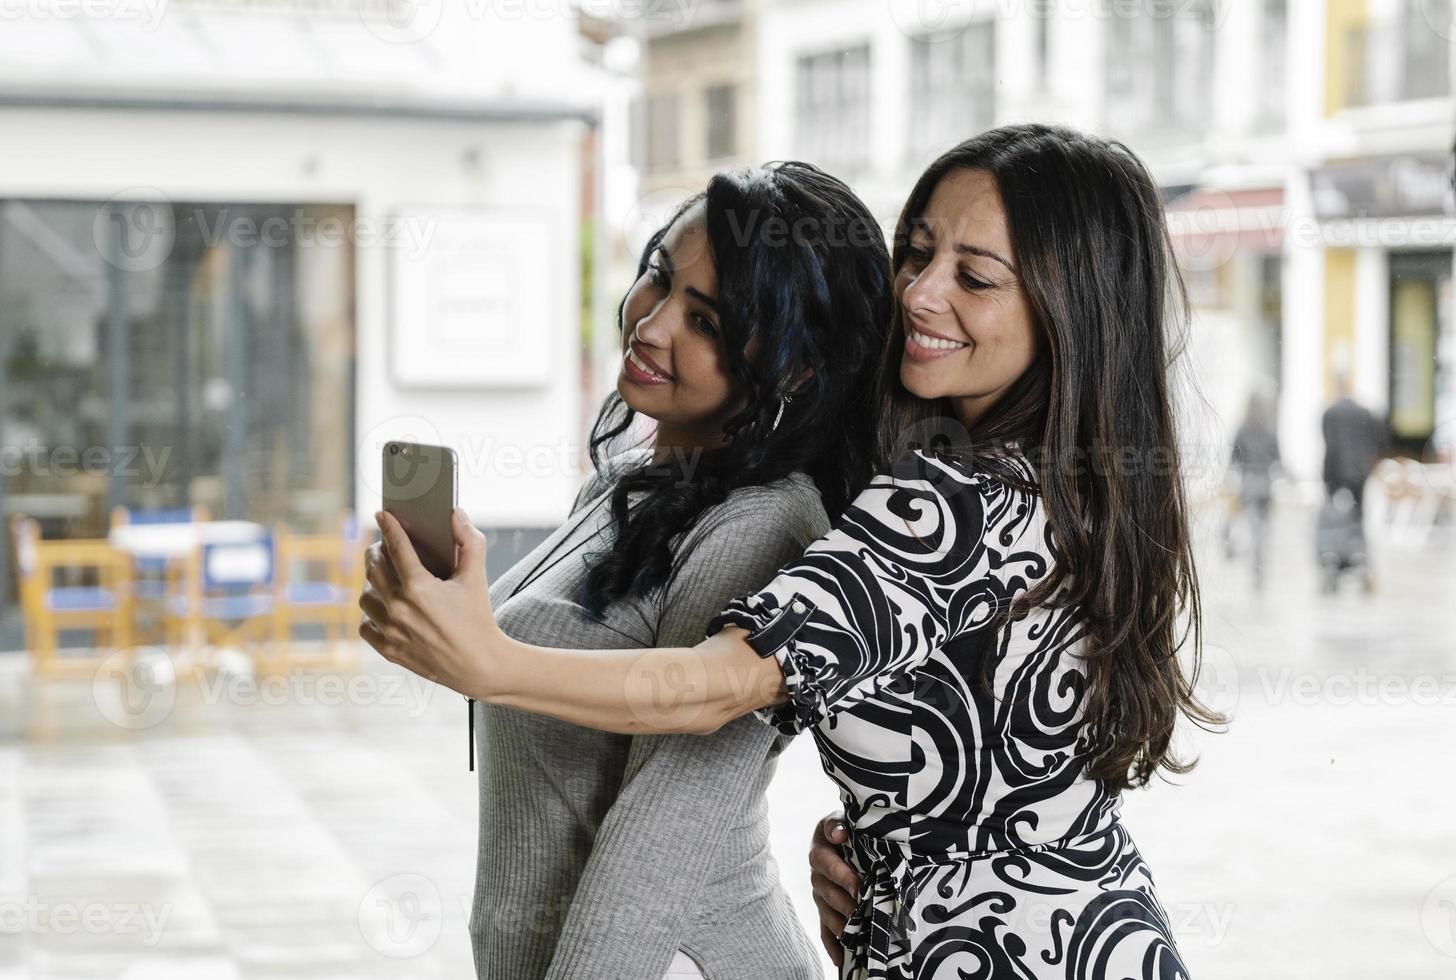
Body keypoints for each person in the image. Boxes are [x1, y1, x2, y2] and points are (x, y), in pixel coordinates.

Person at [360, 123, 1224, 979]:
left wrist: (488, 661)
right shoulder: (1035, 482)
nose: (919, 294)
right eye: (917, 254)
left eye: (976, 276)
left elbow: (721, 686)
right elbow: (1009, 772)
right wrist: (894, 866)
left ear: (1072, 307)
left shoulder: (962, 505)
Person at [446, 162, 892, 980]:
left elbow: (655, 853)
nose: (651, 325)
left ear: (792, 370)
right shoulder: (624, 487)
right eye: (657, 276)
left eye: (707, 322)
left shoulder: (764, 529)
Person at [1318, 368, 1386, 593]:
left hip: (1338, 476)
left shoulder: (1330, 413)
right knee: (1357, 521)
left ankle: (1336, 564)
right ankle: (1360, 561)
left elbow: (1331, 448)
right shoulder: (1363, 412)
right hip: (1359, 475)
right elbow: (1377, 442)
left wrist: (1327, 478)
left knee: (1336, 523)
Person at [1225, 385, 1282, 591]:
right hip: (1265, 483)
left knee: (1247, 524)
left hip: (1248, 482)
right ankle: (1259, 568)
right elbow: (1278, 459)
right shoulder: (1269, 429)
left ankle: (1240, 554)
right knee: (1262, 530)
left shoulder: (1242, 429)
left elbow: (1234, 459)